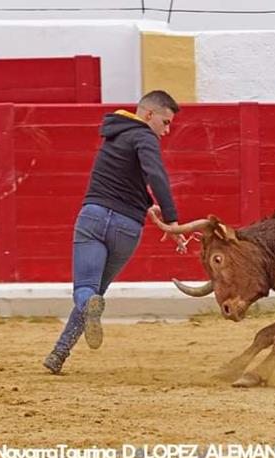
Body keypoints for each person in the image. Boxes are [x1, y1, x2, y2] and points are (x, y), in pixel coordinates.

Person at [43, 90, 187, 374]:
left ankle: (63, 348)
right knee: (97, 292)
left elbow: (121, 177)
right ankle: (58, 353)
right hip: (125, 227)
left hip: (93, 217)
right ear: (148, 115)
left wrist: (147, 204)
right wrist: (172, 220)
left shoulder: (113, 134)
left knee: (86, 291)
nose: (167, 130)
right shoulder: (146, 137)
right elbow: (155, 175)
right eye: (166, 122)